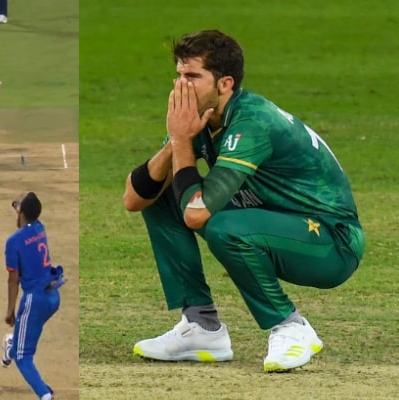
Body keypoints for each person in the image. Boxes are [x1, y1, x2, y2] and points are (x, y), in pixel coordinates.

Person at [122, 29, 365, 372]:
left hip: (331, 241)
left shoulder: (251, 121)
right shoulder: (197, 118)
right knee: (160, 197)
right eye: (178, 75)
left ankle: (291, 327)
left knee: (223, 226)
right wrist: (176, 141)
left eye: (192, 76)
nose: (180, 86)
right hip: (273, 218)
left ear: (225, 84)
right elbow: (134, 199)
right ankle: (201, 327)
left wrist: (180, 142)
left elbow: (196, 215)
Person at [0, 192, 66, 400]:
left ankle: (45, 395)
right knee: (22, 339)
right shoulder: (40, 227)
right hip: (53, 297)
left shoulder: (13, 241)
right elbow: (28, 218)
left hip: (34, 301)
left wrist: (10, 310)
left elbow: (13, 280)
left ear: (22, 213)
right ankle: (11, 346)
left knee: (23, 356)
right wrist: (20, 207)